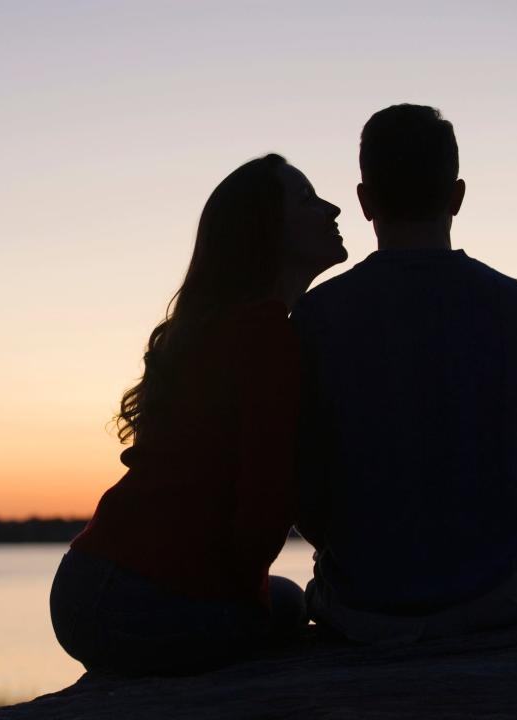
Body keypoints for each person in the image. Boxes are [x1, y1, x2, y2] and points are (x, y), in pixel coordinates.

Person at [293, 104, 517, 644]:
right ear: (458, 196)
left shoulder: (314, 316)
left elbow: (307, 495)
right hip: (509, 592)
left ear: (365, 201)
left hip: (367, 604)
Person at [50, 153, 346, 674]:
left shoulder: (211, 329)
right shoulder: (268, 335)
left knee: (282, 600)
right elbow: (263, 510)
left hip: (83, 582)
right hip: (143, 602)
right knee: (293, 606)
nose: (333, 208)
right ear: (266, 228)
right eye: (307, 198)